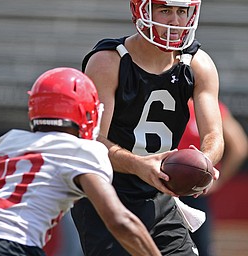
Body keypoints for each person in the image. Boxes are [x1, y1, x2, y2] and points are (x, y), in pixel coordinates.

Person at [0, 67, 162, 256]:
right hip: (15, 246)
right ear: (85, 111)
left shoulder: (5, 142)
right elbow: (119, 220)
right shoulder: (82, 150)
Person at [71, 0, 224, 255]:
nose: (175, 21)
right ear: (141, 11)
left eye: (181, 11)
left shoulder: (198, 64)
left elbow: (214, 135)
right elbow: (94, 141)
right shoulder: (109, 60)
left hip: (158, 194)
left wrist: (203, 162)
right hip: (106, 191)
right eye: (165, 10)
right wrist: (140, 165)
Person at [179, 99, 248, 256]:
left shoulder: (209, 105)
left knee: (199, 246)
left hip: (189, 188)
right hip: (164, 184)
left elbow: (239, 146)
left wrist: (218, 180)